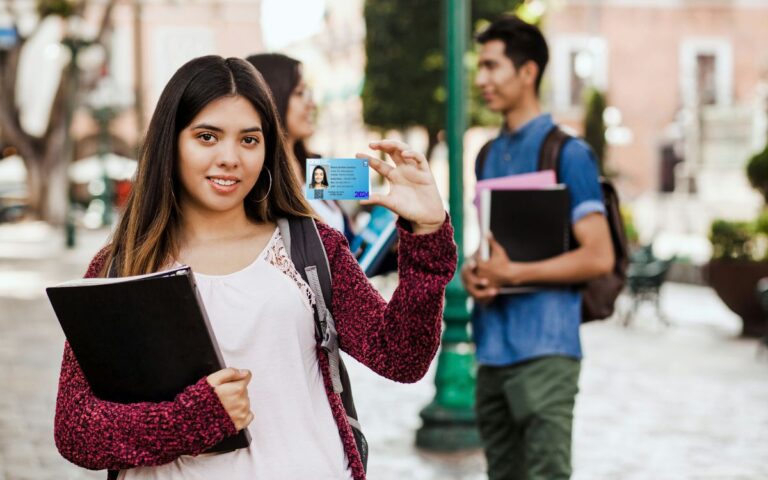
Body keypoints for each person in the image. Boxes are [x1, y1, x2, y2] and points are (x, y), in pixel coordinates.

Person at [54, 55, 457, 480]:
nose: (230, 158)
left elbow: (401, 357)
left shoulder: (311, 246)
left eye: (249, 140)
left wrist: (426, 236)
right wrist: (192, 421)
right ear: (170, 142)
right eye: (207, 137)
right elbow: (76, 430)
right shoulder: (121, 266)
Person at [461, 16, 614, 480]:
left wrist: (514, 276)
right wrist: (477, 273)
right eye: (479, 67)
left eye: (492, 66)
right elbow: (489, 246)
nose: (481, 79)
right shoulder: (488, 153)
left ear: (528, 72)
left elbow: (599, 255)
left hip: (547, 352)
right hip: (491, 352)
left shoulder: (568, 153)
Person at [245, 53, 349, 239]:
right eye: (300, 93)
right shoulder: (256, 182)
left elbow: (352, 235)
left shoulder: (317, 164)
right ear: (273, 98)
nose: (312, 104)